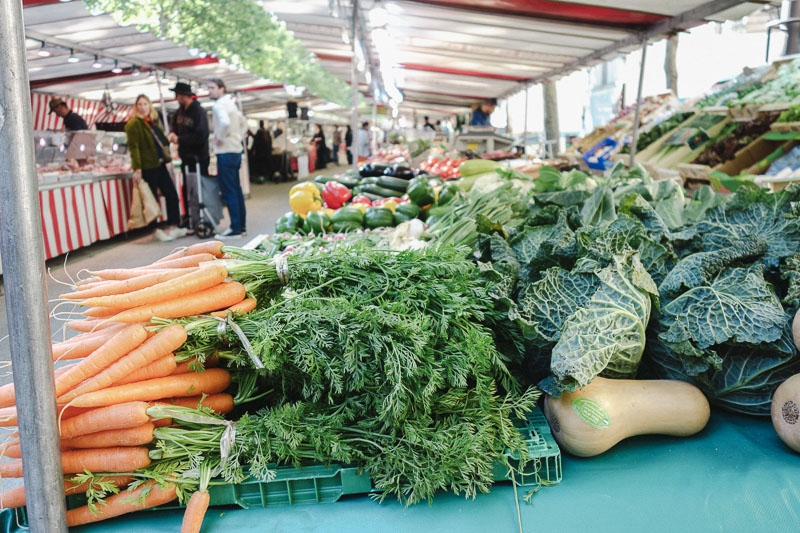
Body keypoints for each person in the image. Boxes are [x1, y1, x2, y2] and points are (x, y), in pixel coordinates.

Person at [125, 94, 184, 242]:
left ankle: (173, 226)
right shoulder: (134, 123)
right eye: (140, 104)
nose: (143, 107)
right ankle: (155, 229)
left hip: (159, 164)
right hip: (147, 167)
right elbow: (134, 148)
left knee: (171, 194)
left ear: (149, 105)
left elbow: (162, 141)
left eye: (145, 104)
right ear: (135, 106)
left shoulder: (152, 122)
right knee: (150, 200)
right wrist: (137, 169)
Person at [208, 78, 248, 239]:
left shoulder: (219, 105)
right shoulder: (231, 104)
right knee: (236, 190)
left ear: (221, 89)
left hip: (225, 151)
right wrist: (237, 137)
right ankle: (241, 226)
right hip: (236, 150)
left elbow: (223, 122)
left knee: (229, 190)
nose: (209, 91)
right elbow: (244, 123)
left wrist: (219, 137)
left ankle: (235, 228)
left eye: (212, 88)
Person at [167, 82, 209, 232]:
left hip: (199, 158)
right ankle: (190, 219)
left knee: (199, 190)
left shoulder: (198, 112)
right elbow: (174, 126)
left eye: (178, 95)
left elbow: (202, 135)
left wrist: (181, 139)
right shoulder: (179, 112)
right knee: (187, 190)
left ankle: (201, 218)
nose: (176, 98)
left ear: (186, 95)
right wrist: (172, 133)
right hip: (185, 157)